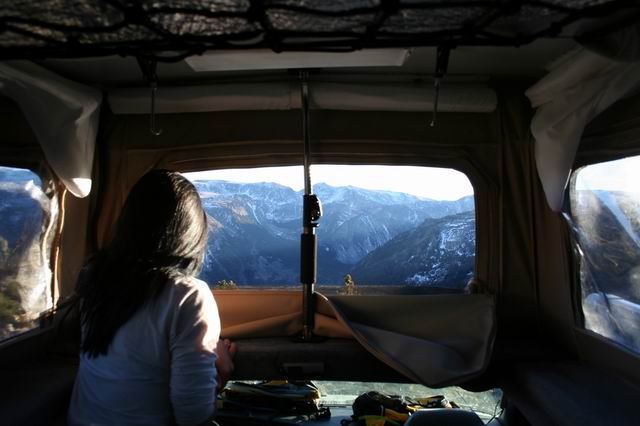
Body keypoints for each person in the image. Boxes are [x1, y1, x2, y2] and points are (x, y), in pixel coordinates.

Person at [68, 170, 236, 425]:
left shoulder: (94, 276)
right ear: (190, 233)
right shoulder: (188, 296)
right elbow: (194, 416)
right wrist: (221, 370)